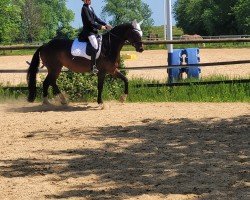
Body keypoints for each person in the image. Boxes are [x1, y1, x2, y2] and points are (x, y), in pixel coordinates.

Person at [79, 0, 112, 74]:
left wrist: (106, 24)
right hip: (88, 32)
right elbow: (90, 21)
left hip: (94, 32)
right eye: (88, 0)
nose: (90, 0)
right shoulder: (84, 9)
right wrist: (100, 27)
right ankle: (93, 67)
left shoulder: (91, 8)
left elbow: (97, 19)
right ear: (84, 1)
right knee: (95, 45)